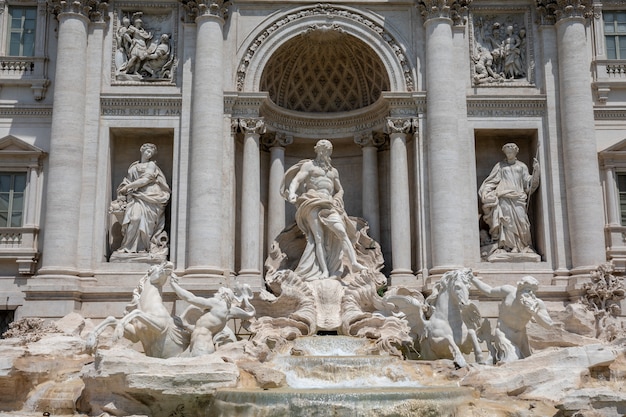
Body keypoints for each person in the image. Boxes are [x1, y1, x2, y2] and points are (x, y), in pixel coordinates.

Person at [281, 139, 366, 280]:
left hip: (329, 204)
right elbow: (297, 180)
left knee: (342, 232)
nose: (324, 153)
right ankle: (324, 271)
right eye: (322, 150)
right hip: (312, 201)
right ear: (317, 150)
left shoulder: (333, 172)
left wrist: (338, 198)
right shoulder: (309, 166)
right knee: (318, 238)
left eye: (327, 151)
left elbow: (340, 189)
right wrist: (291, 193)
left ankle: (354, 262)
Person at [469, 275, 553, 363]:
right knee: (512, 360)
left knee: (525, 361)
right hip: (504, 333)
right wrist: (473, 279)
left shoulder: (537, 304)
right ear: (520, 289)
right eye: (528, 290)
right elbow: (489, 291)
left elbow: (549, 325)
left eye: (533, 291)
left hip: (521, 336)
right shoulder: (508, 292)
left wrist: (534, 313)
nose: (531, 294)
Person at [170, 275, 255, 356]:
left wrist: (174, 285)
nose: (215, 294)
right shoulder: (228, 312)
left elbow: (191, 298)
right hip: (201, 344)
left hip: (201, 345)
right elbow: (250, 314)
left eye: (218, 292)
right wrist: (186, 326)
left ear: (223, 295)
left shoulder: (217, 303)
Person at [479, 143, 539, 256]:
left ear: (516, 152)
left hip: (518, 197)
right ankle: (511, 247)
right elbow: (492, 181)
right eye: (507, 152)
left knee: (522, 221)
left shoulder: (522, 166)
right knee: (507, 222)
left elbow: (529, 184)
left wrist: (536, 172)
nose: (509, 154)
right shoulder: (500, 166)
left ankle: (523, 245)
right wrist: (486, 191)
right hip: (503, 196)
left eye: (511, 152)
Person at [113, 143, 170, 255]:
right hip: (136, 196)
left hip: (151, 196)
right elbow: (128, 181)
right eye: (148, 151)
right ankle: (127, 247)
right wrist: (124, 189)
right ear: (142, 150)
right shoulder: (133, 167)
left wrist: (128, 187)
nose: (149, 154)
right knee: (135, 218)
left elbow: (145, 180)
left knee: (146, 222)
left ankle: (143, 248)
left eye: (151, 153)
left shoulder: (151, 165)